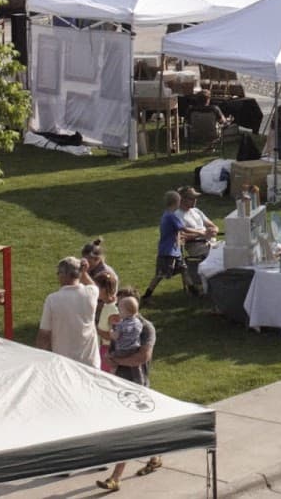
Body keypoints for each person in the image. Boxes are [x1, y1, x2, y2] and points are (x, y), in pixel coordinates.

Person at [95, 296, 162, 491]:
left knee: (127, 430)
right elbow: (112, 350)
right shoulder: (120, 326)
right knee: (139, 427)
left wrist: (117, 361)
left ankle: (116, 477)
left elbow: (142, 357)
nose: (118, 310)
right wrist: (111, 362)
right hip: (119, 383)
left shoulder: (146, 328)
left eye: (121, 307)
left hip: (136, 386)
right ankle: (155, 457)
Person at [38, 256, 101, 368]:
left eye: (58, 273)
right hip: (90, 363)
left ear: (63, 275)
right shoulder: (91, 293)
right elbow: (93, 286)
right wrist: (84, 273)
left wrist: (40, 359)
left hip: (64, 364)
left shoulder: (52, 299)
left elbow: (44, 334)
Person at [140, 192, 187, 302]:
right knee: (160, 275)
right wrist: (201, 232)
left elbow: (176, 231)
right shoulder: (171, 216)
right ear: (176, 202)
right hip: (168, 251)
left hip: (174, 251)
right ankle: (146, 296)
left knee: (184, 269)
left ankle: (193, 291)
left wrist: (179, 240)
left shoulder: (167, 214)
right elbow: (183, 229)